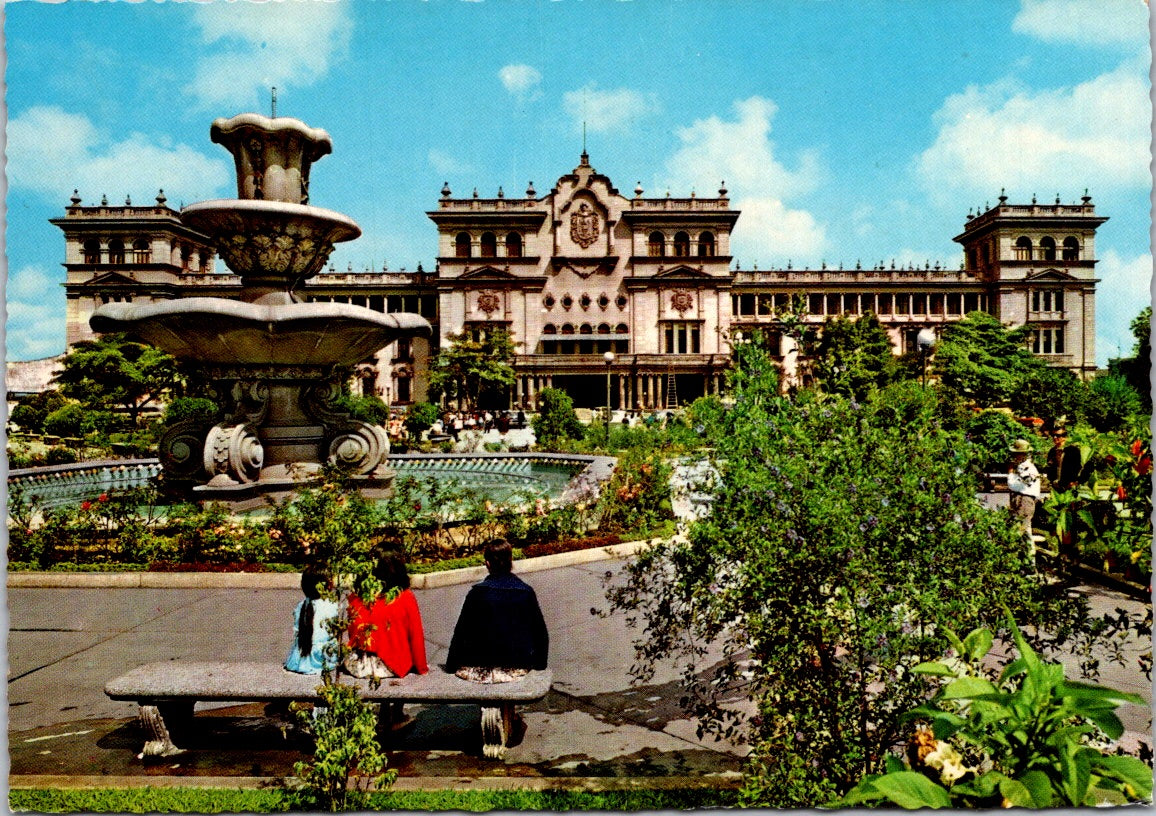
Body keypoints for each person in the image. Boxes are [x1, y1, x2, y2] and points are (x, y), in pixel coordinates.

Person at [446, 539, 548, 684]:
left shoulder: (477, 593)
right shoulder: (525, 591)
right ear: (511, 560)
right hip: (516, 667)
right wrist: (540, 665)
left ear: (487, 564)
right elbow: (540, 633)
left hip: (481, 668)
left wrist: (451, 666)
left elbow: (461, 633)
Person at [345, 551, 429, 681]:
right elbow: (416, 636)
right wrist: (422, 668)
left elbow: (353, 632)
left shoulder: (356, 597)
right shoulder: (405, 597)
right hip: (391, 665)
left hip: (359, 665)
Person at [284, 570, 339, 675]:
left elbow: (297, 631)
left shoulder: (301, 605)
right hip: (322, 657)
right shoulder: (332, 605)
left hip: (300, 658)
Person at [1007, 438, 1041, 538]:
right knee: (1026, 531)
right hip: (1022, 500)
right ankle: (1030, 552)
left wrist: (1010, 473)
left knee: (1019, 530)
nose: (1014, 457)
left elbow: (1014, 486)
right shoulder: (1022, 466)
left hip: (1024, 501)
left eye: (1016, 454)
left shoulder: (1028, 469)